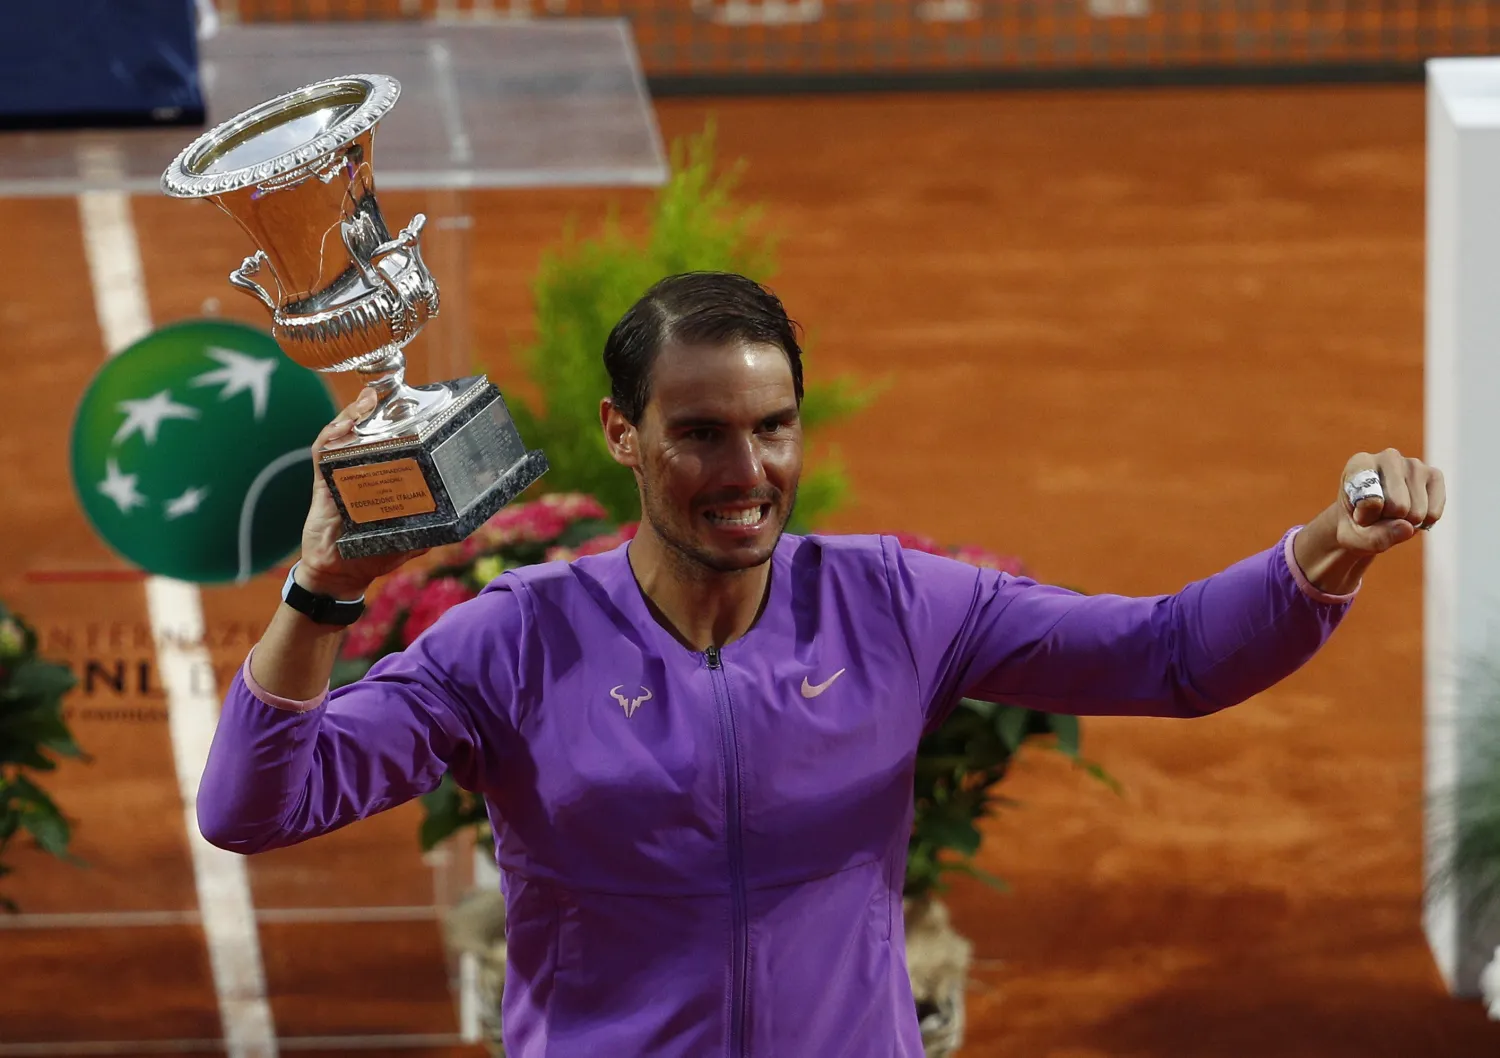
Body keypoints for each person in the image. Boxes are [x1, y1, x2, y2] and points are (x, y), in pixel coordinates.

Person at [199, 271, 1444, 1057]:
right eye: (700, 433)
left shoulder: (891, 601)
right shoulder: (516, 638)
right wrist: (325, 590)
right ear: (622, 436)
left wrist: (1329, 547)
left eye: (773, 426)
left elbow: (1168, 656)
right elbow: (254, 806)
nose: (746, 472)